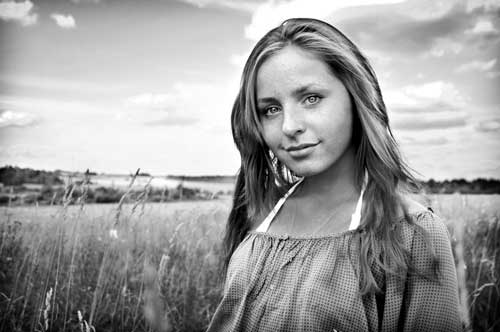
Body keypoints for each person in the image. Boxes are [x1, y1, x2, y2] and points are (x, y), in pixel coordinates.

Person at [207, 18, 463, 332]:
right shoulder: (256, 215)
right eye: (270, 109)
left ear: (355, 98)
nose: (290, 126)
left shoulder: (411, 233)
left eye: (311, 98)